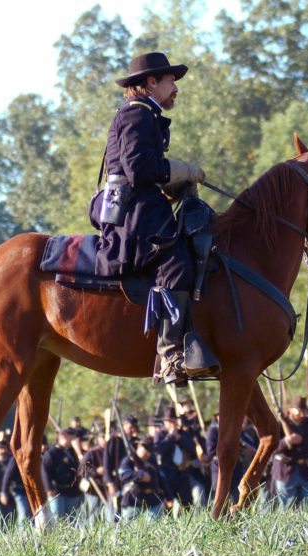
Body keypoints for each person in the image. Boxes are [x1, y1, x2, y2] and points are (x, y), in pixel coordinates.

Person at [89, 52, 218, 384]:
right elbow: (140, 169)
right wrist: (182, 170)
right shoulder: (138, 115)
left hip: (142, 207)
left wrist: (177, 181)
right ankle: (170, 355)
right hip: (134, 216)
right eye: (171, 81)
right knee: (177, 264)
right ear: (151, 82)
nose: (175, 88)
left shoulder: (146, 114)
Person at [268, 397, 308, 508]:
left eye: (304, 411)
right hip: (285, 471)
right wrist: (286, 442)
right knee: (287, 508)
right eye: (299, 411)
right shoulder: (279, 424)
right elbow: (270, 448)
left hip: (306, 471)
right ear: (290, 410)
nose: (302, 414)